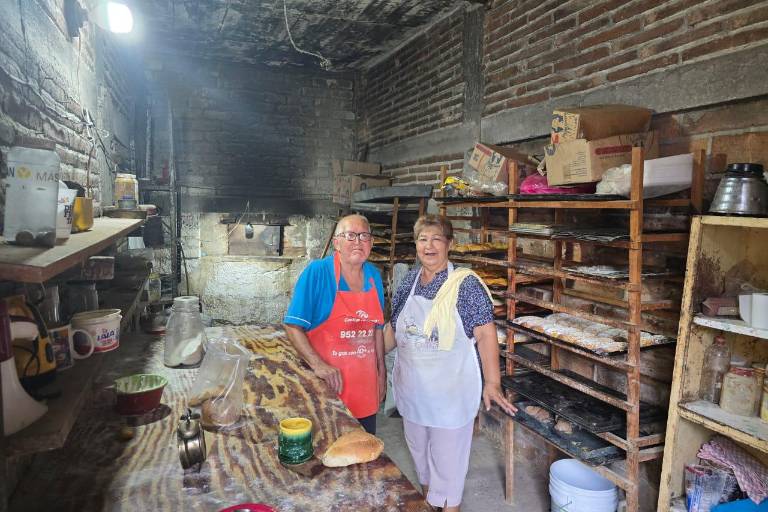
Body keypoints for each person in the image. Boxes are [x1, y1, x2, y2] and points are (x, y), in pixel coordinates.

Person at [386, 214, 517, 512]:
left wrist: (493, 383)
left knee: (448, 468)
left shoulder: (465, 284)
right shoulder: (409, 281)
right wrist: (368, 358)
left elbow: (485, 334)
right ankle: (428, 505)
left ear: (449, 244)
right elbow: (394, 329)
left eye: (436, 239)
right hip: (413, 392)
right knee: (421, 459)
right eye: (422, 239)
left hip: (450, 396)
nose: (428, 245)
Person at [283, 214, 386, 434]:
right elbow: (293, 326)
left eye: (364, 236)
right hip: (327, 389)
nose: (358, 241)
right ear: (336, 243)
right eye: (350, 235)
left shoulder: (374, 277)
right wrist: (318, 365)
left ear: (371, 243)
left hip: (364, 387)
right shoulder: (318, 273)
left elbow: (376, 329)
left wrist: (382, 372)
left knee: (363, 454)